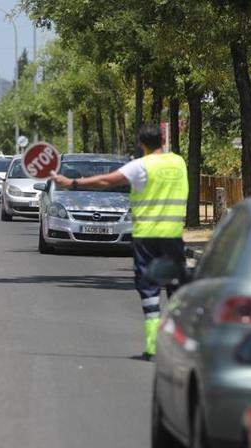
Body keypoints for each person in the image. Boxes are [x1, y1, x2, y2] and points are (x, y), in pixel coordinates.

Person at [52, 125, 189, 361]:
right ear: (162, 141)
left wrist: (71, 183)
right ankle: (180, 343)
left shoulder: (140, 166)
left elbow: (107, 181)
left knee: (149, 289)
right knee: (176, 290)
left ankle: (153, 346)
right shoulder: (178, 163)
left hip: (147, 236)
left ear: (141, 144)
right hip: (173, 236)